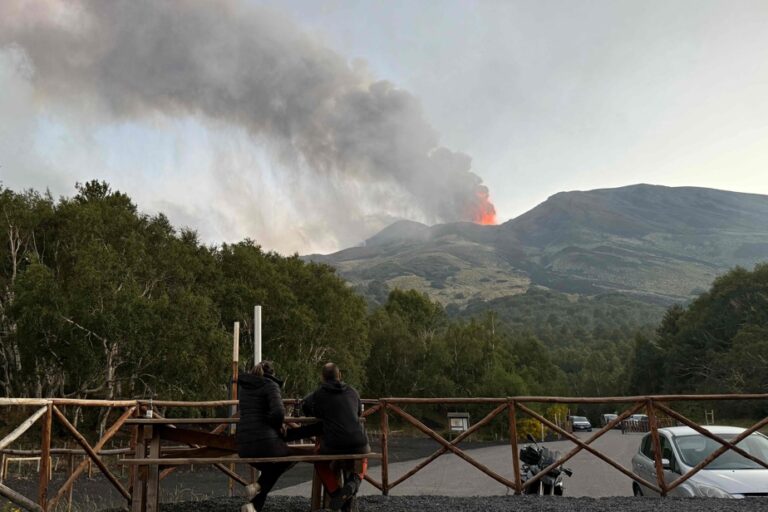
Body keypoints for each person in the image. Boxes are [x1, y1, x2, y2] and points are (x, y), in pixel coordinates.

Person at [301, 362, 369, 510]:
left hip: (334, 445)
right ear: (340, 375)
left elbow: (312, 411)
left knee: (319, 460)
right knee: (363, 456)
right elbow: (358, 413)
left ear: (322, 378)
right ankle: (354, 482)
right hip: (359, 443)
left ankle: (337, 494)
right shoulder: (353, 391)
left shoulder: (319, 394)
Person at [236, 361, 292, 512]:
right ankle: (257, 487)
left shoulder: (244, 388)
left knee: (272, 468)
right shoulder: (270, 385)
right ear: (272, 374)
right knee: (289, 458)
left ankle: (254, 505)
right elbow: (278, 413)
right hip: (264, 443)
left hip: (243, 444)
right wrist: (278, 426)